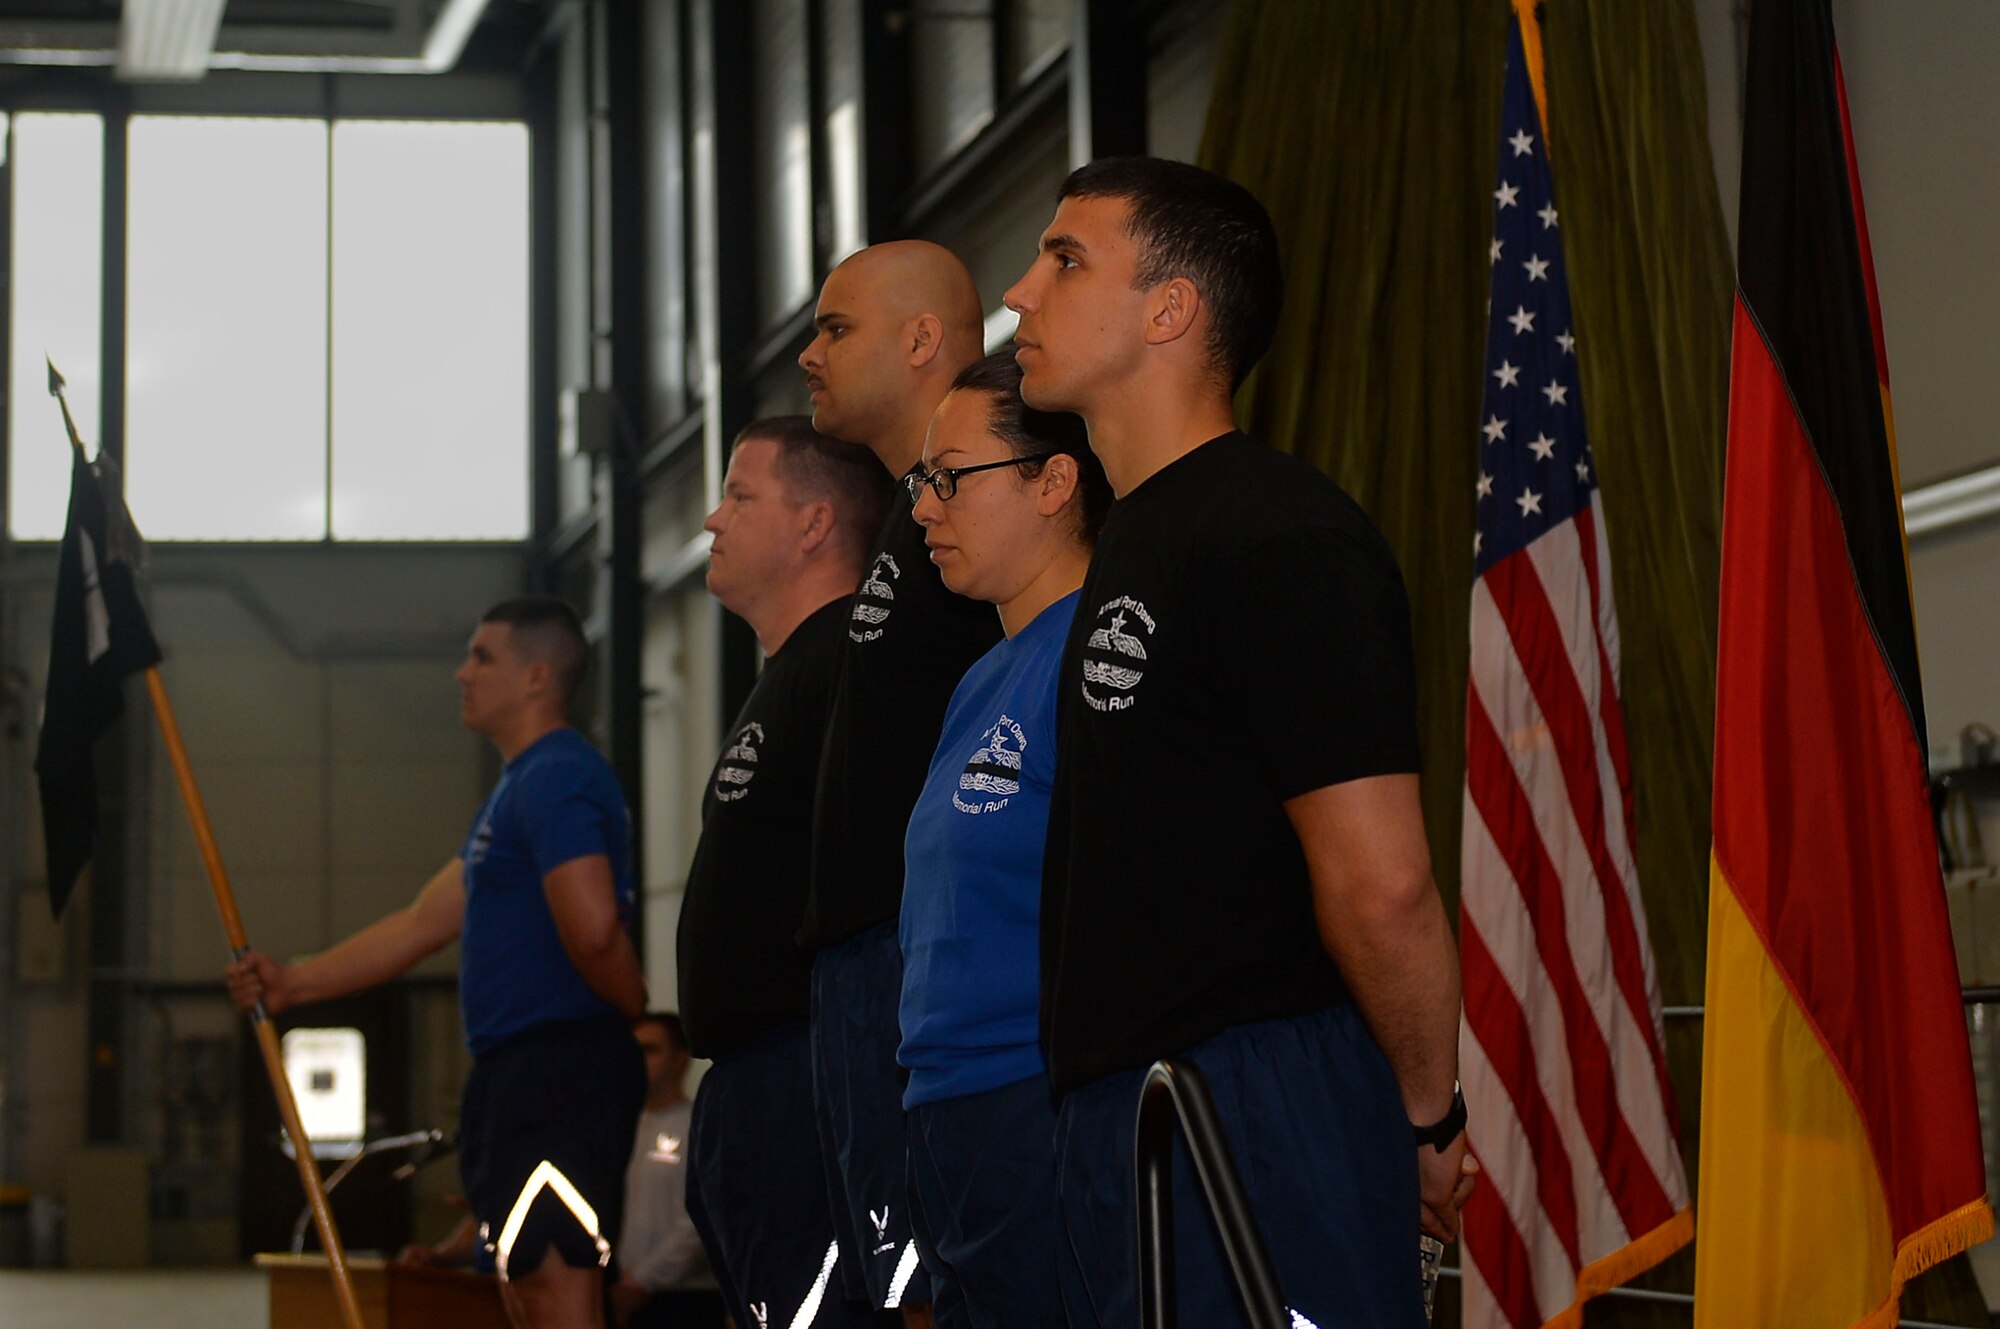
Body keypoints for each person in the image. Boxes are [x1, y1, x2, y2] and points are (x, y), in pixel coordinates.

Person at [1002, 156, 1478, 1328]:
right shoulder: (1136, 540)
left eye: (1064, 260)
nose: (1018, 290)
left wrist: (1427, 1119)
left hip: (1256, 1103)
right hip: (1126, 1110)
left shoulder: (1279, 538)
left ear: (1170, 311)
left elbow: (1381, 882)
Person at [227, 597, 649, 1329]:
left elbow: (594, 931)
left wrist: (632, 1006)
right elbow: (423, 922)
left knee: (555, 1284)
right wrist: (293, 981)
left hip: (555, 1069)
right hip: (521, 1073)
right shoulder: (515, 792)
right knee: (526, 1284)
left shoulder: (556, 777)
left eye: (482, 656)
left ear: (537, 677)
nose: (462, 672)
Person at [794, 241, 1000, 1321]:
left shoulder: (983, 512)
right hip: (869, 966)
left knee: (931, 1292)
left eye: (836, 329)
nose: (806, 353)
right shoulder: (903, 514)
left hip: (926, 960)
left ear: (922, 339)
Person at [896, 352, 1108, 1328]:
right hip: (946, 1110)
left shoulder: (1100, 657)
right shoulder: (979, 680)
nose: (923, 509)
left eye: (950, 476)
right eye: (918, 482)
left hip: (1040, 1107)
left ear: (1053, 482)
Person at [674, 417, 893, 1329]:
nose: (714, 522)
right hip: (753, 1084)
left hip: (809, 1077)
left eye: (740, 496)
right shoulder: (787, 673)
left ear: (812, 524)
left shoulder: (849, 663)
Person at [610, 1013, 724, 1329]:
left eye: (650, 1050)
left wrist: (645, 1279)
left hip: (684, 1302)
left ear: (680, 1059)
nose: (637, 1060)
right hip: (622, 1296)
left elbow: (701, 1217)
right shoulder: (622, 1128)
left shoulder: (699, 1124)